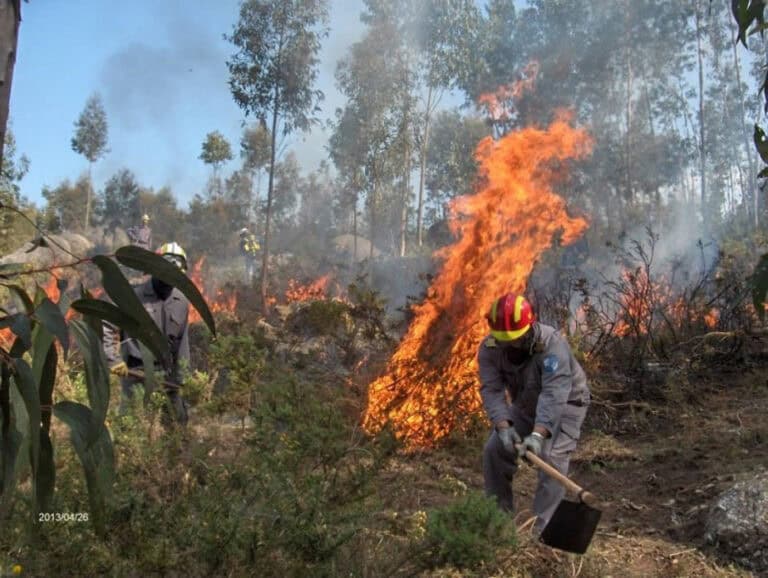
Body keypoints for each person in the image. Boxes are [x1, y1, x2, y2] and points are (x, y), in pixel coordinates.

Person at [478, 292, 590, 534]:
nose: (510, 345)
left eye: (515, 339)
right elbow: (492, 390)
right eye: (504, 339)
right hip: (525, 405)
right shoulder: (489, 348)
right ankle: (499, 523)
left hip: (567, 403)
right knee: (494, 450)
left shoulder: (552, 346)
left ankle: (544, 534)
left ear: (530, 326)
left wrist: (538, 436)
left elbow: (554, 395)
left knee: (551, 457)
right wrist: (503, 425)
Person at [105, 241, 191, 426]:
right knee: (129, 425)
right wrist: (112, 358)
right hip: (136, 371)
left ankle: (173, 454)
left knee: (177, 423)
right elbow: (107, 321)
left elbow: (182, 343)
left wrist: (182, 378)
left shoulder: (181, 302)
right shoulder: (133, 295)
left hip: (167, 374)